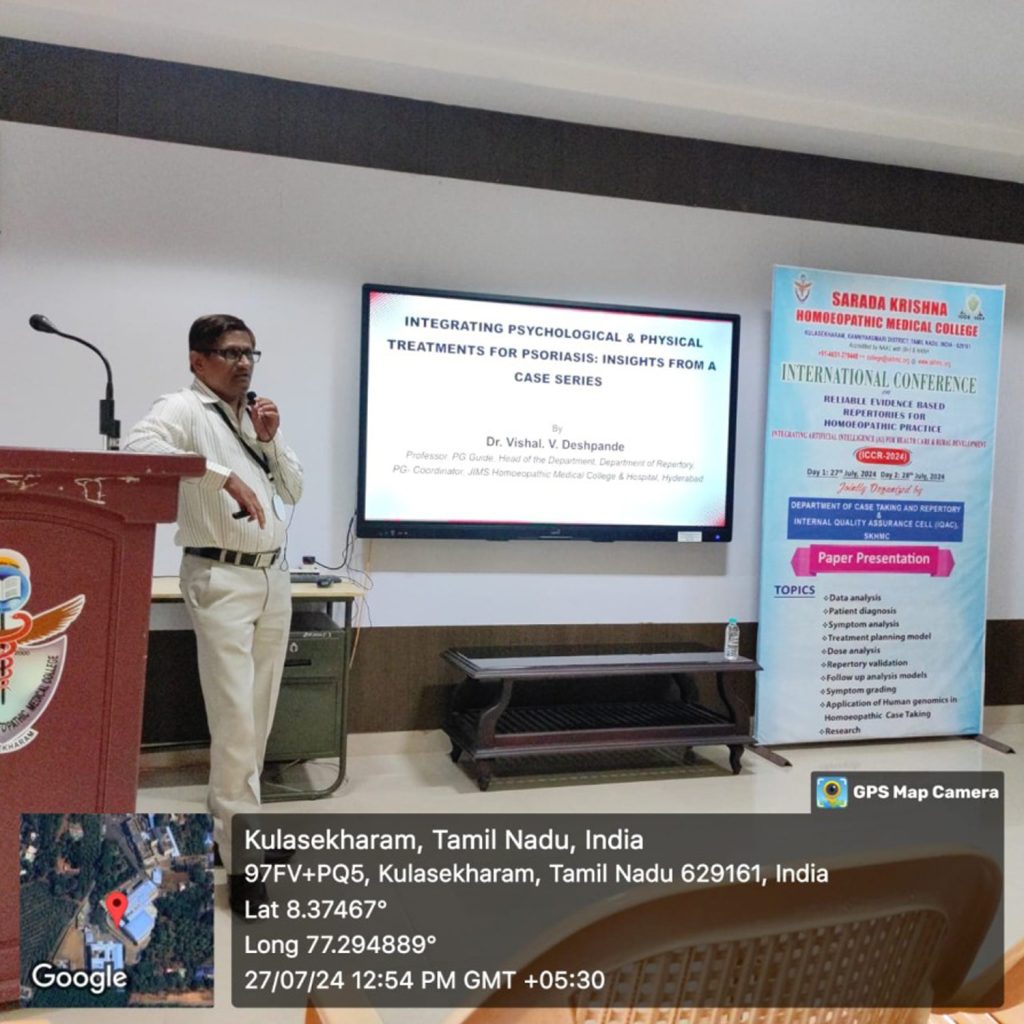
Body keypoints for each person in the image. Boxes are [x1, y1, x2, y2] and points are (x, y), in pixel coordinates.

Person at [125, 314, 302, 912]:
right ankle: (244, 862)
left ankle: (234, 833)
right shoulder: (182, 409)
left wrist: (270, 441)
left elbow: (294, 490)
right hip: (220, 576)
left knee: (258, 716)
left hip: (273, 578)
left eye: (250, 352)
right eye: (230, 352)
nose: (244, 363)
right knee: (235, 723)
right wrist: (220, 476)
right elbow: (139, 448)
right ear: (198, 360)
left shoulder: (253, 416)